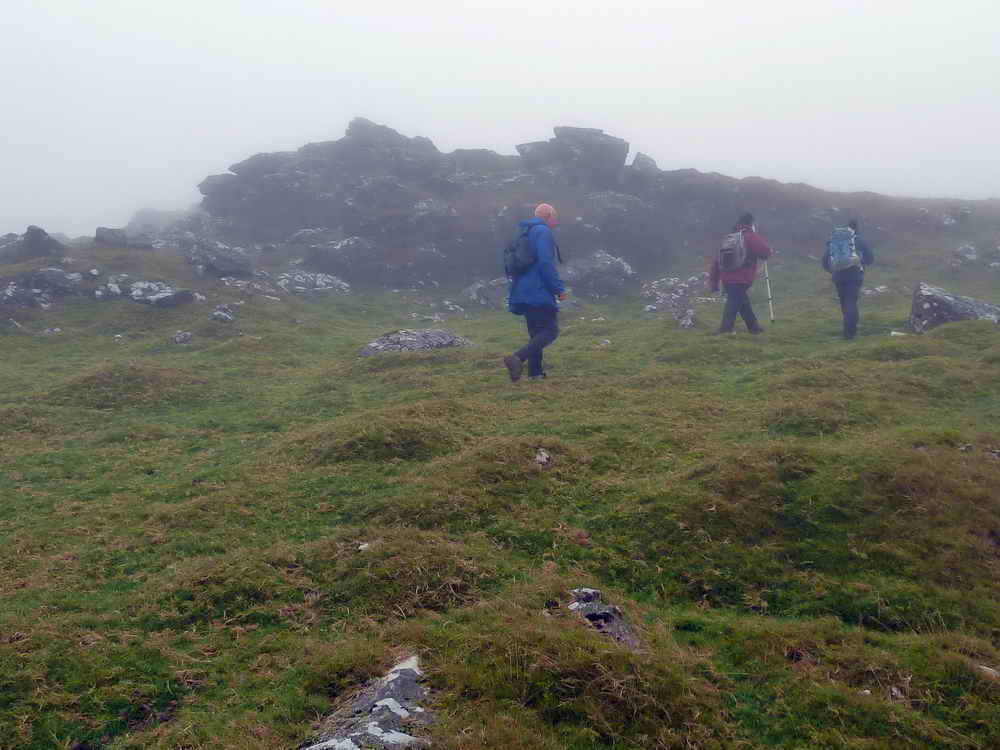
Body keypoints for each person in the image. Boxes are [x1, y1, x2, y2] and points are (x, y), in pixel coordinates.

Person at [503, 203, 567, 382]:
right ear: (547, 216)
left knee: (536, 332)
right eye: (555, 217)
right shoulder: (542, 231)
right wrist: (558, 289)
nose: (557, 221)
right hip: (537, 290)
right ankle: (517, 358)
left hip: (521, 289)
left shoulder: (523, 231)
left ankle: (535, 373)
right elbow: (546, 263)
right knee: (550, 330)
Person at [709, 213, 772, 334]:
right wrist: (769, 251)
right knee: (734, 302)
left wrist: (714, 281)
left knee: (742, 302)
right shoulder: (749, 236)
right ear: (751, 223)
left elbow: (717, 261)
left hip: (726, 277)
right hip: (741, 277)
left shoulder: (729, 238)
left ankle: (754, 328)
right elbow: (765, 252)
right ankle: (725, 330)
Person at [822, 219, 874, 340]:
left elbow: (824, 262)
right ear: (857, 229)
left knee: (844, 303)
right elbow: (870, 259)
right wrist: (861, 264)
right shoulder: (859, 241)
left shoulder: (836, 240)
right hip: (855, 277)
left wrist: (833, 271)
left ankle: (849, 328)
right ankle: (850, 332)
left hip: (838, 277)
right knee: (851, 302)